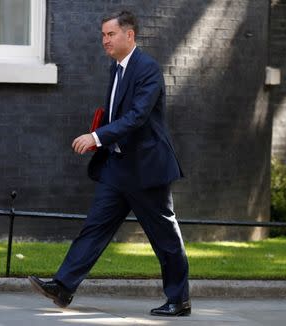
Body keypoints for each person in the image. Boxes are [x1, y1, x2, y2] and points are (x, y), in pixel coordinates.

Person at [28, 10, 190, 317]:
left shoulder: (148, 70)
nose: (105, 40)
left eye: (110, 34)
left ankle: (179, 299)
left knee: (165, 238)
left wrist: (96, 137)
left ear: (129, 35)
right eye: (103, 35)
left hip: (146, 170)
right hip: (118, 168)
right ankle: (63, 286)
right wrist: (104, 138)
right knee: (94, 228)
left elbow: (137, 117)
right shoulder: (116, 69)